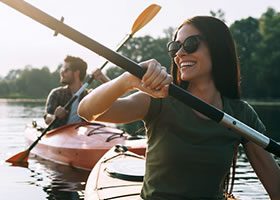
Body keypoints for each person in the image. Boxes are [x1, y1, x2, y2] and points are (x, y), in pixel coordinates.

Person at [77, 16, 280, 200]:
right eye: (175, 47)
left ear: (218, 48)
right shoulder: (158, 99)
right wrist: (127, 81)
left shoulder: (241, 114)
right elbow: (86, 111)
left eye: (191, 44)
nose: (180, 54)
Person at [44, 55, 109, 129]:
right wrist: (54, 117)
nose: (61, 73)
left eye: (65, 70)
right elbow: (47, 117)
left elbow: (115, 97)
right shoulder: (56, 93)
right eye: (61, 70)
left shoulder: (90, 96)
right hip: (59, 135)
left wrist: (103, 78)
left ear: (76, 73)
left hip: (82, 137)